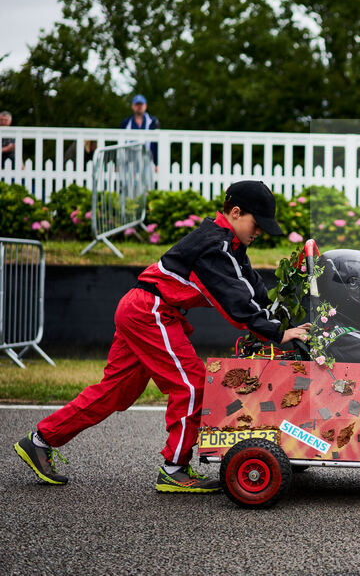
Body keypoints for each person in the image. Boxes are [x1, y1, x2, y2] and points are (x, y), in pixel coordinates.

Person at [14, 180, 310, 492]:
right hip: (150, 312)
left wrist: (281, 316)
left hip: (140, 309)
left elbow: (250, 286)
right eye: (257, 223)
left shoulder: (228, 243)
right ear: (235, 212)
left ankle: (39, 440)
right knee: (193, 385)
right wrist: (278, 332)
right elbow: (235, 300)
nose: (259, 232)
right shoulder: (216, 245)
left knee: (115, 392)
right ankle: (174, 469)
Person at [121, 94, 160, 164]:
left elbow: (156, 145)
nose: (139, 107)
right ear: (132, 106)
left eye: (141, 104)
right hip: (129, 160)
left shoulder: (153, 121)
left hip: (148, 160)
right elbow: (121, 142)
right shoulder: (126, 122)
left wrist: (156, 163)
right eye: (137, 104)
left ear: (145, 105)